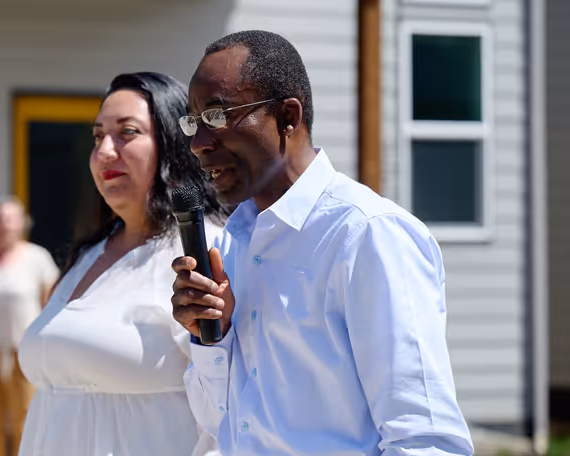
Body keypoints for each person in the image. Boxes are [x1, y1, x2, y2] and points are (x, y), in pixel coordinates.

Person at [170, 30, 474, 455]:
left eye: (218, 116)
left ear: (287, 117)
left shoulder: (368, 235)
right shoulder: (234, 244)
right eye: (194, 122)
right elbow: (218, 423)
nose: (200, 143)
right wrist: (211, 338)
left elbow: (425, 438)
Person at [17, 73, 228, 456]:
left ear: (172, 144)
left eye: (127, 133)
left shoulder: (204, 249)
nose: (105, 152)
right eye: (98, 136)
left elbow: (229, 408)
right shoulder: (88, 255)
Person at [0, 198, 58, 456]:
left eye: (10, 219)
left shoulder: (37, 257)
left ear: (22, 224)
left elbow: (51, 302)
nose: (4, 225)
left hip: (25, 352)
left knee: (25, 418)